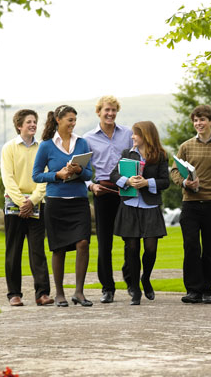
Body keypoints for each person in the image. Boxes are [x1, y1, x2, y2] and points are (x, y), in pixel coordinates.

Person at [170, 105, 211, 305]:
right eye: (195, 120)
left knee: (209, 248)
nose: (198, 123)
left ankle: (207, 290)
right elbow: (174, 171)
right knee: (191, 247)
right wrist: (184, 183)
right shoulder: (186, 146)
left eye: (202, 120)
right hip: (190, 205)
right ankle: (193, 290)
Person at [32, 105, 94, 307]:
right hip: (56, 202)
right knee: (58, 249)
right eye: (70, 120)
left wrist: (79, 170)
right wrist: (57, 175)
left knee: (83, 243)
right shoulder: (46, 146)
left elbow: (89, 173)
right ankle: (59, 293)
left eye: (75, 120)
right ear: (58, 120)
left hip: (79, 201)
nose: (73, 124)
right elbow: (36, 175)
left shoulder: (82, 143)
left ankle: (79, 292)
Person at [110, 121, 170, 305]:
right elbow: (114, 175)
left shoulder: (160, 155)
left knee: (151, 248)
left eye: (135, 134)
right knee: (132, 248)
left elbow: (165, 182)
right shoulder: (127, 154)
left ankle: (146, 278)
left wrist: (147, 183)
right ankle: (135, 289)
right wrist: (128, 181)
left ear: (145, 135)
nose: (132, 137)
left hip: (150, 207)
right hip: (129, 206)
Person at [83, 95, 133, 304]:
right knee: (105, 243)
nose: (110, 114)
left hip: (126, 191)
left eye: (113, 110)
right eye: (107, 110)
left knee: (131, 240)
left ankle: (131, 283)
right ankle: (107, 288)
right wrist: (91, 186)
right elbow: (83, 170)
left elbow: (136, 159)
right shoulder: (87, 139)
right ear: (99, 112)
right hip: (103, 192)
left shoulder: (128, 134)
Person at [1, 109, 53, 307]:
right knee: (13, 251)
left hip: (37, 204)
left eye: (34, 121)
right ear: (19, 125)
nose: (33, 125)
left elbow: (45, 177)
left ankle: (42, 294)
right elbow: (8, 178)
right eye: (29, 122)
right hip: (14, 205)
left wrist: (33, 200)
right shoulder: (9, 148)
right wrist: (22, 203)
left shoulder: (43, 148)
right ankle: (14, 294)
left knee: (37, 250)